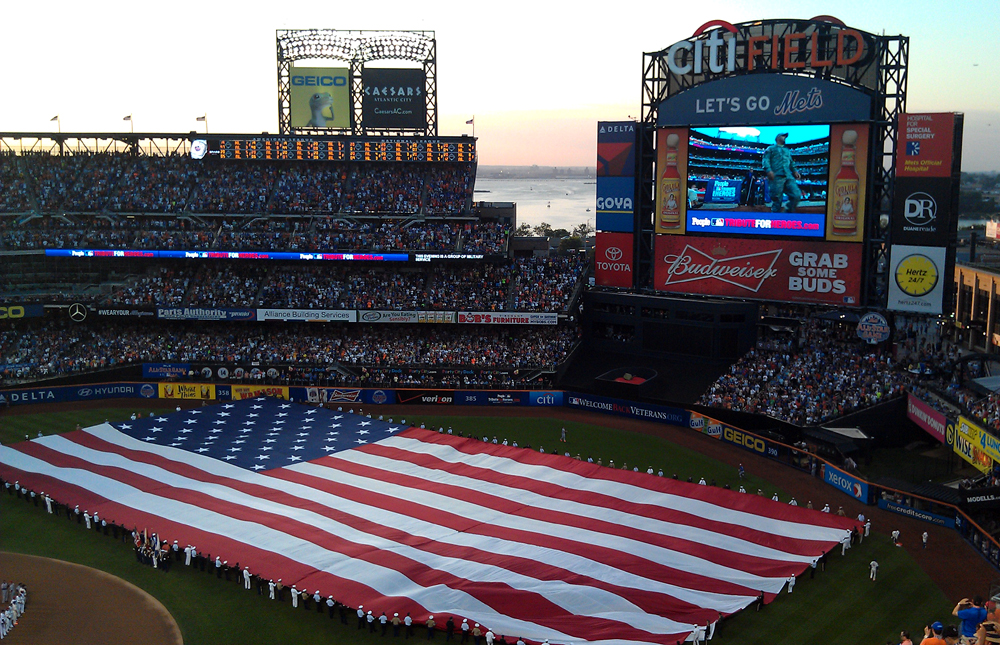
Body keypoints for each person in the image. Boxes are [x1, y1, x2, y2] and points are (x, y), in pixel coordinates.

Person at [762, 132, 802, 213]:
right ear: (777, 138)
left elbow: (791, 162)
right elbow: (766, 160)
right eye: (783, 136)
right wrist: (769, 170)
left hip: (788, 176)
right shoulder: (771, 148)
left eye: (785, 136)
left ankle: (786, 213)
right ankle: (775, 219)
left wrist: (794, 171)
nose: (784, 138)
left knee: (796, 195)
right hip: (776, 176)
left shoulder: (787, 150)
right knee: (777, 201)